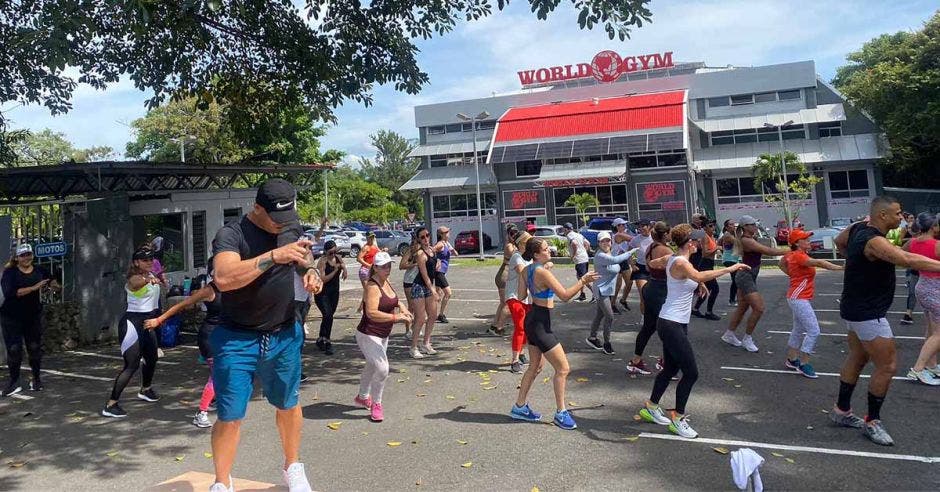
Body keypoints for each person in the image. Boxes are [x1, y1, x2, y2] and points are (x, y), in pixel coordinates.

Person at [207, 179, 322, 492]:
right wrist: (274, 256)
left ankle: (292, 466)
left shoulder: (289, 228)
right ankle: (221, 482)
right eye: (275, 219)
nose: (281, 227)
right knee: (230, 415)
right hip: (236, 337)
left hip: (283, 332)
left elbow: (302, 260)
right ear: (257, 209)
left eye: (287, 219)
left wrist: (309, 273)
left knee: (288, 403)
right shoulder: (232, 234)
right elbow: (224, 277)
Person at [830, 196, 940, 446]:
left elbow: (839, 242)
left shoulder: (858, 227)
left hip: (854, 307)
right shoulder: (874, 240)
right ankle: (872, 422)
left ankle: (841, 411)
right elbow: (908, 260)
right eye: (898, 213)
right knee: (888, 366)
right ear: (882, 216)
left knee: (857, 358)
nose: (901, 217)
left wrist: (854, 262)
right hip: (868, 312)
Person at [638, 224, 750, 438]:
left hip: (674, 322)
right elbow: (698, 275)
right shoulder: (679, 261)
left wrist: (693, 282)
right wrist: (730, 269)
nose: (700, 243)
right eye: (697, 240)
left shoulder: (673, 259)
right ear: (689, 243)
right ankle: (678, 419)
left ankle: (651, 406)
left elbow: (654, 262)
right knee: (691, 372)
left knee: (670, 369)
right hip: (671, 323)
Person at [511, 237, 599, 430]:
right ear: (535, 254)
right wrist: (583, 280)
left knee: (535, 367)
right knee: (563, 369)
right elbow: (565, 296)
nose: (549, 250)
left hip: (532, 319)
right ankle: (561, 413)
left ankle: (519, 407)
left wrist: (541, 277)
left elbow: (521, 296)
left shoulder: (527, 270)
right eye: (545, 249)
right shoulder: (541, 272)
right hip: (541, 324)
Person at [144, 257, 222, 427]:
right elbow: (181, 306)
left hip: (225, 338)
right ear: (213, 272)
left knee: (228, 372)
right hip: (210, 338)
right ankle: (201, 413)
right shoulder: (209, 290)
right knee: (217, 375)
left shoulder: (233, 288)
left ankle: (216, 398)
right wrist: (159, 320)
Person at [101, 246, 167, 417]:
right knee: (132, 365)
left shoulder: (151, 275)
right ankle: (111, 404)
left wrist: (159, 280)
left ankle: (145, 389)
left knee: (152, 358)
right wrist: (148, 281)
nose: (150, 262)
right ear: (136, 262)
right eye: (145, 260)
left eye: (151, 259)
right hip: (132, 323)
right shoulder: (134, 278)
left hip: (148, 322)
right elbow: (135, 284)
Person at [354, 252, 413, 422]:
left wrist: (403, 307)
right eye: (384, 266)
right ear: (376, 268)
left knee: (372, 366)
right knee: (382, 369)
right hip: (368, 334)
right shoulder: (372, 287)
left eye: (389, 265)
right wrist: (396, 318)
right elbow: (371, 313)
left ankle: (362, 397)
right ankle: (376, 404)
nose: (388, 269)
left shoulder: (385, 280)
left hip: (382, 334)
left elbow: (394, 300)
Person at [777, 230, 843, 378]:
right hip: (798, 298)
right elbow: (819, 262)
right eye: (805, 239)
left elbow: (781, 263)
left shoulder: (793, 255)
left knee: (798, 329)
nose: (809, 241)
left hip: (798, 296)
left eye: (808, 238)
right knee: (814, 330)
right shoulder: (799, 256)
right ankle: (804, 363)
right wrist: (841, 267)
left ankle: (791, 359)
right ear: (797, 243)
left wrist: (792, 275)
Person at [1, 244, 58, 396]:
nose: (26, 258)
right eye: (23, 255)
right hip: (11, 317)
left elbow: (52, 281)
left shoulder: (39, 270)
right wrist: (34, 288)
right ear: (17, 258)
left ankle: (37, 379)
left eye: (29, 254)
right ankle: (14, 382)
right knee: (14, 350)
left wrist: (54, 286)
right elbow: (11, 293)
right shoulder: (10, 273)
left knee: (34, 348)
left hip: (32, 316)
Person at [721, 215, 781, 353]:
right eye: (753, 224)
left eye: (756, 224)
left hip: (748, 275)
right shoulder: (747, 240)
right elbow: (769, 251)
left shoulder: (751, 238)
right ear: (746, 227)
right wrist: (793, 250)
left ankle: (729, 334)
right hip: (745, 276)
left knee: (742, 307)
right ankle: (747, 339)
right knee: (759, 308)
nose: (756, 226)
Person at [627, 222, 672, 375]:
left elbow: (647, 267)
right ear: (665, 234)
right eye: (669, 232)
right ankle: (666, 363)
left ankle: (635, 361)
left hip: (651, 288)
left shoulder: (650, 248)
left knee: (648, 327)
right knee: (668, 327)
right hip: (660, 291)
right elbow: (674, 271)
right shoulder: (666, 250)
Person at [904, 212, 940, 385]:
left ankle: (932, 365)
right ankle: (918, 369)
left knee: (932, 329)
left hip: (922, 286)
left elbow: (900, 254)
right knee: (939, 333)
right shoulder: (937, 245)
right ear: (933, 227)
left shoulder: (912, 242)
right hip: (935, 288)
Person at [587, 232, 638, 355]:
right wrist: (632, 251)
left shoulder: (609, 252)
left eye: (608, 241)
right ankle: (607, 344)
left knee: (600, 315)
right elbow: (616, 260)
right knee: (609, 316)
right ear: (598, 244)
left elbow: (616, 257)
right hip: (600, 290)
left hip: (608, 290)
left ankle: (592, 338)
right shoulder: (600, 256)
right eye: (602, 241)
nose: (605, 243)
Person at [409, 227, 440, 359]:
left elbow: (434, 265)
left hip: (428, 286)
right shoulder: (420, 254)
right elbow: (425, 275)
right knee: (420, 318)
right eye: (422, 237)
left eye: (427, 235)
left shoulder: (432, 250)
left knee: (433, 315)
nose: (426, 238)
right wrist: (433, 290)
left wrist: (437, 263)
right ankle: (413, 347)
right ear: (418, 239)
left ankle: (426, 343)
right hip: (419, 286)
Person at [506, 232, 533, 373]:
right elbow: (524, 272)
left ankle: (521, 353)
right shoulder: (516, 257)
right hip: (514, 297)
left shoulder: (528, 257)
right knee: (520, 327)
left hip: (526, 297)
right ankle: (514, 361)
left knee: (526, 327)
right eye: (528, 242)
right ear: (521, 243)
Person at [314, 240, 346, 356]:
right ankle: (327, 341)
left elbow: (343, 265)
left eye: (334, 252)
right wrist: (335, 270)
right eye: (330, 253)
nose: (333, 254)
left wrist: (344, 270)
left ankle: (321, 338)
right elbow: (323, 279)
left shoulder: (337, 258)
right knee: (327, 315)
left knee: (328, 317)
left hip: (334, 292)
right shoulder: (322, 261)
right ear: (326, 252)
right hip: (323, 293)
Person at [490, 225, 519, 335]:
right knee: (507, 303)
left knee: (503, 303)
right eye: (511, 233)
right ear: (507, 234)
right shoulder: (509, 246)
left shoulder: (513, 245)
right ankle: (499, 327)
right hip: (504, 276)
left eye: (515, 233)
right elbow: (515, 255)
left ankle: (494, 325)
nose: (514, 235)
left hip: (505, 275)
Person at [691, 220, 722, 321]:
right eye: (710, 226)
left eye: (713, 226)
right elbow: (705, 253)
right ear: (705, 228)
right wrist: (716, 248)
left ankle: (695, 309)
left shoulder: (712, 237)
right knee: (715, 289)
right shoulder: (704, 237)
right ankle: (709, 312)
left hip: (710, 264)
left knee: (707, 289)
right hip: (705, 265)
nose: (713, 228)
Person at [627, 218, 654, 314]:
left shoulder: (654, 238)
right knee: (643, 294)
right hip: (640, 269)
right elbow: (628, 252)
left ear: (649, 227)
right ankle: (644, 318)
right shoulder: (636, 239)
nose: (640, 228)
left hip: (653, 269)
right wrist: (632, 264)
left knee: (653, 296)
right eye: (639, 226)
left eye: (643, 226)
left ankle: (654, 318)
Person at [562, 223, 592, 302]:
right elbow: (588, 243)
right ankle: (582, 295)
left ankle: (595, 294)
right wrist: (584, 251)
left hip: (579, 260)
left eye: (564, 229)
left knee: (583, 278)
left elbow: (574, 244)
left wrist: (574, 255)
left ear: (566, 229)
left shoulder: (569, 236)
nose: (563, 231)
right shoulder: (578, 235)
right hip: (584, 258)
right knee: (579, 278)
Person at [399, 236, 421, 339]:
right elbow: (401, 266)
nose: (416, 245)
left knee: (419, 307)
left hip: (419, 282)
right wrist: (414, 264)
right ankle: (408, 330)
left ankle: (415, 327)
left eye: (417, 243)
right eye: (414, 243)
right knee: (411, 306)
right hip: (409, 281)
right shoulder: (409, 252)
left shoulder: (422, 252)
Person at [611, 217, 634, 313]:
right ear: (617, 226)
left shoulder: (624, 234)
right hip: (615, 261)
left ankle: (623, 300)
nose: (625, 226)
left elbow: (629, 249)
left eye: (625, 224)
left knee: (629, 282)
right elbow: (633, 240)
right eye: (622, 225)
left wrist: (631, 262)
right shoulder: (618, 235)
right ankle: (612, 304)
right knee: (618, 284)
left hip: (623, 260)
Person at [434, 226, 456, 324]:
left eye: (448, 231)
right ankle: (441, 315)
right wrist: (436, 260)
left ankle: (433, 313)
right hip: (439, 272)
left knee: (437, 294)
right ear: (441, 235)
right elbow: (430, 251)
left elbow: (455, 253)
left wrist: (452, 250)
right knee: (448, 293)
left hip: (443, 271)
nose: (448, 233)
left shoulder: (446, 243)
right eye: (446, 232)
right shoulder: (440, 244)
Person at [719, 219, 740, 306]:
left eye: (734, 224)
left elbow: (719, 242)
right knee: (735, 280)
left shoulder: (731, 234)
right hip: (729, 260)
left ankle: (734, 299)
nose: (734, 226)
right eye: (731, 224)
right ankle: (731, 300)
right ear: (727, 227)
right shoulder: (727, 235)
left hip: (733, 259)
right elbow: (738, 243)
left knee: (736, 280)